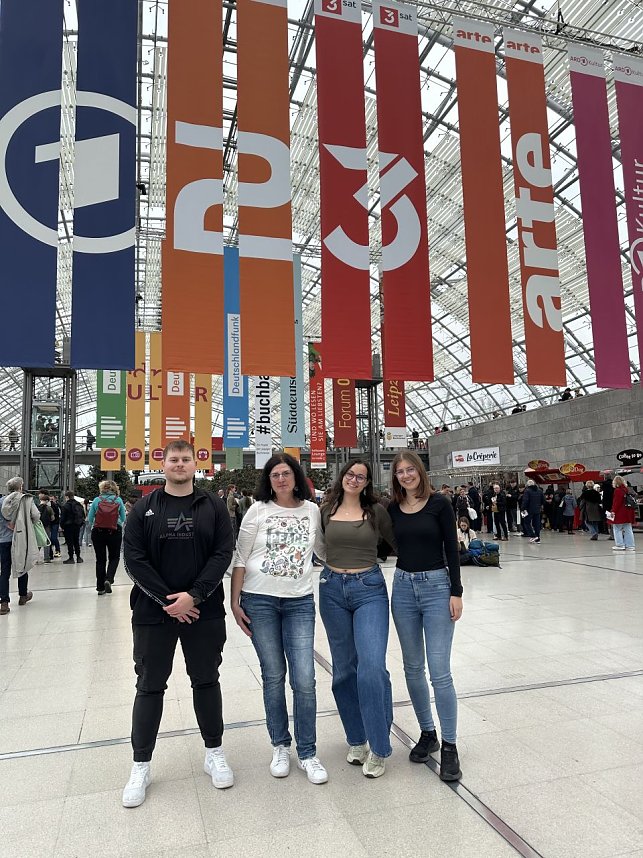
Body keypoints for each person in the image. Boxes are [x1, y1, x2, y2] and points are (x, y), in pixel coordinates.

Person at [122, 440, 234, 808]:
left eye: (186, 459)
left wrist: (195, 596)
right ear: (164, 463)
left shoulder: (213, 505)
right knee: (149, 685)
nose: (180, 464)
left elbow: (222, 553)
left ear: (195, 464)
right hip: (153, 614)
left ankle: (214, 752)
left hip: (204, 611)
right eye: (174, 459)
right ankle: (141, 765)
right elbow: (133, 559)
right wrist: (169, 602)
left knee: (206, 679)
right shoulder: (144, 508)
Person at [231, 453, 328, 784]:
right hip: (259, 601)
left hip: (299, 602)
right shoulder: (257, 510)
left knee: (304, 679)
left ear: (296, 476)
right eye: (275, 475)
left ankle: (308, 752)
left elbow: (323, 551)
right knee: (273, 675)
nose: (281, 479)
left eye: (286, 473)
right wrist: (234, 602)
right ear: (268, 481)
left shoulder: (312, 510)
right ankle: (280, 745)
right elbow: (241, 557)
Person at [387, 450, 463, 781]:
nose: (406, 475)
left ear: (420, 471)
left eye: (410, 469)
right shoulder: (392, 508)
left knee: (440, 671)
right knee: (413, 667)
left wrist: (456, 591)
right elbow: (380, 545)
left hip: (436, 588)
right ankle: (427, 732)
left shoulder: (439, 504)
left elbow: (452, 548)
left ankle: (450, 745)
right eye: (400, 471)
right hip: (403, 588)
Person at [319, 459, 396, 779]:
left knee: (372, 668)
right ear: (343, 477)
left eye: (361, 477)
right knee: (344, 670)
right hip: (332, 589)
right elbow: (318, 546)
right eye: (350, 474)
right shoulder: (326, 510)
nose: (354, 479)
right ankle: (356, 739)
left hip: (369, 589)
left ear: (367, 483)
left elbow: (398, 542)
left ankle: (379, 746)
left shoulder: (376, 512)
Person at [0, 477, 40, 613]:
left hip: (3, 540)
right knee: (22, 565)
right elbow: (36, 515)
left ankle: (4, 602)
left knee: (4, 571)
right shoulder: (26, 500)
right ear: (20, 487)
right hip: (21, 538)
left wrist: (6, 524)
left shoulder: (1, 501)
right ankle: (23, 595)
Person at [87, 480, 127, 594]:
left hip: (98, 531)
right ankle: (108, 579)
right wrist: (117, 523)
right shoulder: (118, 500)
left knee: (100, 560)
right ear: (115, 489)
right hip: (114, 531)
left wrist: (96, 523)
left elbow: (90, 518)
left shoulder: (97, 500)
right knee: (114, 557)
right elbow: (123, 518)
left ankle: (100, 588)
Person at [610, 476, 636, 551]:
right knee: (628, 529)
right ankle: (630, 545)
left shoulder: (617, 490)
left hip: (620, 512)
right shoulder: (626, 489)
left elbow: (616, 503)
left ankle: (620, 545)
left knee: (617, 528)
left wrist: (613, 511)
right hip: (628, 511)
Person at [60, 490, 85, 564]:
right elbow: (83, 515)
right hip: (77, 525)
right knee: (76, 541)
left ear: (67, 497)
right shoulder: (78, 504)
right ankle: (78, 557)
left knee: (70, 542)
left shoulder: (65, 506)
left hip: (68, 526)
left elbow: (63, 517)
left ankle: (71, 558)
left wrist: (62, 526)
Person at [37, 491, 54, 563]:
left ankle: (36, 558)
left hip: (38, 527)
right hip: (46, 527)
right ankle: (46, 558)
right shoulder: (49, 508)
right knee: (47, 541)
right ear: (47, 501)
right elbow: (53, 518)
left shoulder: (37, 507)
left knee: (38, 541)